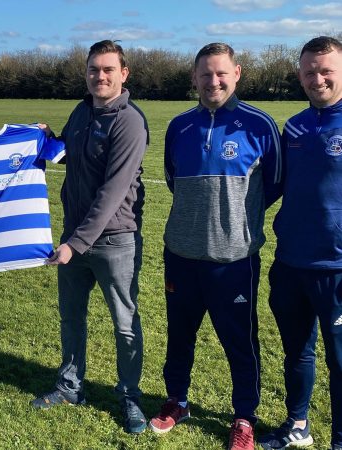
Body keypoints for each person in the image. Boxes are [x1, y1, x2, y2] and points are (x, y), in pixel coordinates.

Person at [148, 43, 281, 450]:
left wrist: (236, 227)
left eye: (221, 73)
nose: (213, 82)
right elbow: (173, 179)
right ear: (194, 78)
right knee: (179, 335)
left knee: (240, 341)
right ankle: (178, 401)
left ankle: (244, 417)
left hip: (234, 259)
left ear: (237, 73)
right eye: (205, 74)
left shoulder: (260, 125)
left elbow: (274, 184)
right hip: (182, 255)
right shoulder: (179, 127)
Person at [30, 39, 150, 434]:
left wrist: (73, 244)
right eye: (94, 69)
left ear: (123, 74)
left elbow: (112, 193)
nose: (100, 76)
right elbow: (68, 152)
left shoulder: (129, 121)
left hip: (115, 241)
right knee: (71, 318)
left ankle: (130, 395)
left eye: (108, 70)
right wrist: (48, 138)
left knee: (125, 322)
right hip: (73, 239)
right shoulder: (82, 111)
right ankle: (69, 386)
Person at [259, 36, 342, 450]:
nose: (318, 78)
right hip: (290, 263)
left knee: (341, 360)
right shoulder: (292, 126)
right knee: (297, 353)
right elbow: (273, 186)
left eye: (326, 70)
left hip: (338, 268)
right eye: (310, 71)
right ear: (299, 75)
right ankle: (298, 425)